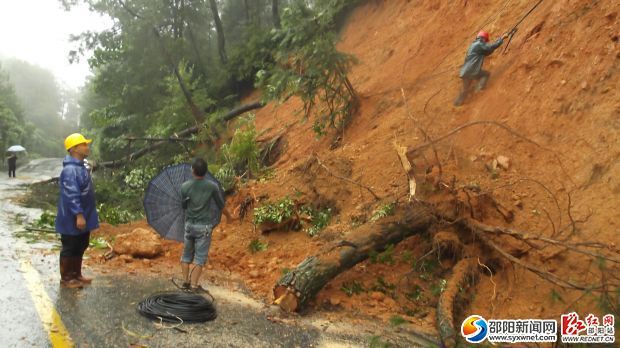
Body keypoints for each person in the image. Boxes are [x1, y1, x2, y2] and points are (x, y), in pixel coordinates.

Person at [55, 133, 100, 289]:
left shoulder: (81, 167)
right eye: (83, 145)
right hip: (72, 217)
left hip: (84, 214)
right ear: (74, 149)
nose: (87, 147)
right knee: (70, 246)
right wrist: (79, 215)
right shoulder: (70, 171)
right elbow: (71, 195)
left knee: (81, 244)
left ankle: (76, 274)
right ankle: (66, 278)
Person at [180, 158, 231, 292]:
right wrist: (229, 217)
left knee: (186, 256)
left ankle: (185, 282)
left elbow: (183, 206)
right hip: (204, 227)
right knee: (200, 258)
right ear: (206, 171)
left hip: (189, 225)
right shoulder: (212, 186)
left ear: (193, 170)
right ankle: (194, 286)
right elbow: (220, 205)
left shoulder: (184, 186)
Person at [454, 30, 509, 106]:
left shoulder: (473, 45)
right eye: (486, 41)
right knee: (486, 74)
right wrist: (502, 38)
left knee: (465, 89)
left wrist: (500, 40)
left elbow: (488, 51)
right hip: (472, 70)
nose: (486, 42)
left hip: (465, 71)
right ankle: (479, 89)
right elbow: (490, 47)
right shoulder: (479, 44)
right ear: (484, 39)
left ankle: (457, 104)